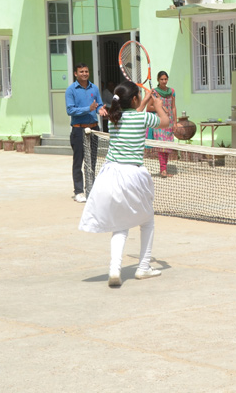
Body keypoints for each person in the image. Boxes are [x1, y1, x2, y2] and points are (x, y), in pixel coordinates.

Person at [79, 82, 169, 287]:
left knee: (120, 226)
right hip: (134, 175)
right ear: (135, 99)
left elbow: (132, 115)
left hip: (111, 174)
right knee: (147, 221)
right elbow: (164, 122)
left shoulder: (114, 118)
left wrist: (144, 100)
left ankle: (114, 269)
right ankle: (144, 267)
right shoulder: (142, 117)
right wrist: (158, 103)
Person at [66, 62, 105, 202]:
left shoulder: (94, 87)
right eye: (81, 71)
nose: (84, 74)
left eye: (86, 71)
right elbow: (70, 110)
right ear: (76, 74)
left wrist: (100, 109)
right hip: (79, 129)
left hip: (94, 129)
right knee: (78, 161)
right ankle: (78, 191)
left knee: (92, 160)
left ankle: (91, 188)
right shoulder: (71, 90)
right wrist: (88, 108)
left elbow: (99, 104)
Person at [150, 71, 176, 177]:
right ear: (158, 80)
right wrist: (160, 107)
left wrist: (175, 122)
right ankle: (163, 170)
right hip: (159, 122)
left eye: (165, 79)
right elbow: (149, 107)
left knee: (167, 147)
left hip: (169, 122)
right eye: (162, 79)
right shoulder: (154, 93)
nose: (164, 81)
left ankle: (164, 168)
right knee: (161, 147)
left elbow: (173, 107)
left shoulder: (172, 91)